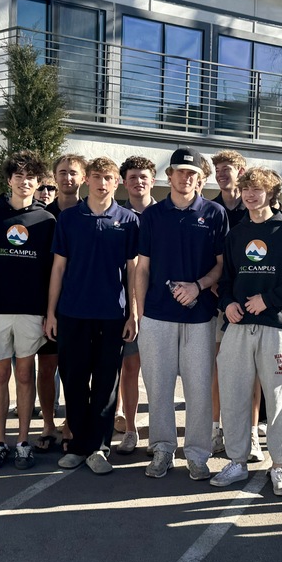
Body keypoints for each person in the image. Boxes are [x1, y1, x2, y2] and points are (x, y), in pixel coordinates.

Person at [212, 167, 282, 496]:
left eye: (258, 189)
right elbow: (225, 281)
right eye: (246, 189)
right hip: (238, 328)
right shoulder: (236, 234)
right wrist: (227, 303)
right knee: (234, 396)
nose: (251, 194)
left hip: (275, 329)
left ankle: (280, 466)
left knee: (280, 400)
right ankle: (237, 461)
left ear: (272, 193)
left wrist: (267, 300)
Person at [136, 148, 227, 480]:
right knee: (158, 387)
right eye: (180, 172)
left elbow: (220, 266)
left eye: (192, 173)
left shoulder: (214, 213)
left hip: (200, 315)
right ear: (169, 176)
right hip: (157, 316)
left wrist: (198, 286)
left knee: (199, 388)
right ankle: (162, 449)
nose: (185, 178)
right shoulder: (153, 215)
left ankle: (198, 454)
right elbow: (142, 268)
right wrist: (141, 311)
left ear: (200, 178)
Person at [46, 157, 139, 475]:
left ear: (117, 183)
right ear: (87, 180)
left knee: (105, 383)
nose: (102, 182)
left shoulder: (128, 220)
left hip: (112, 315)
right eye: (97, 176)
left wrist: (133, 315)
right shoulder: (69, 218)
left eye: (109, 177)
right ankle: (78, 446)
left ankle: (99, 447)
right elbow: (58, 268)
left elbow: (133, 270)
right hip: (72, 312)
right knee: (73, 381)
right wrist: (51, 313)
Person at [0, 151, 57, 471]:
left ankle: (22, 442)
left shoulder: (47, 220)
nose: (24, 182)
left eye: (30, 177)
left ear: (38, 182)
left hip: (32, 312)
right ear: (9, 180)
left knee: (24, 374)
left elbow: (52, 272)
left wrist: (50, 312)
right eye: (18, 176)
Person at [41, 154, 87, 447]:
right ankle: (47, 425)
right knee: (46, 367)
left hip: (81, 304)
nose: (67, 178)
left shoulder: (90, 212)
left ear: (83, 177)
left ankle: (72, 422)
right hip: (46, 304)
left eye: (73, 173)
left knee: (76, 369)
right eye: (62, 172)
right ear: (54, 177)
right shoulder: (42, 216)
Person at [115, 155, 157, 454]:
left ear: (153, 180)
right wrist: (132, 308)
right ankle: (130, 429)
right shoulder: (117, 215)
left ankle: (160, 432)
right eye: (132, 177)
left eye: (143, 176)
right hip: (127, 306)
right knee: (129, 369)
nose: (138, 181)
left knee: (159, 374)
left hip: (162, 307)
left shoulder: (165, 213)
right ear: (123, 181)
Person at [210, 150, 249, 456]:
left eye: (228, 169)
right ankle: (214, 429)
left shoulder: (255, 208)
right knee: (218, 368)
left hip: (250, 304)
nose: (222, 174)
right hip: (217, 301)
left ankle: (250, 431)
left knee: (251, 371)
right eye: (218, 170)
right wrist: (220, 295)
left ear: (241, 170)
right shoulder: (210, 210)